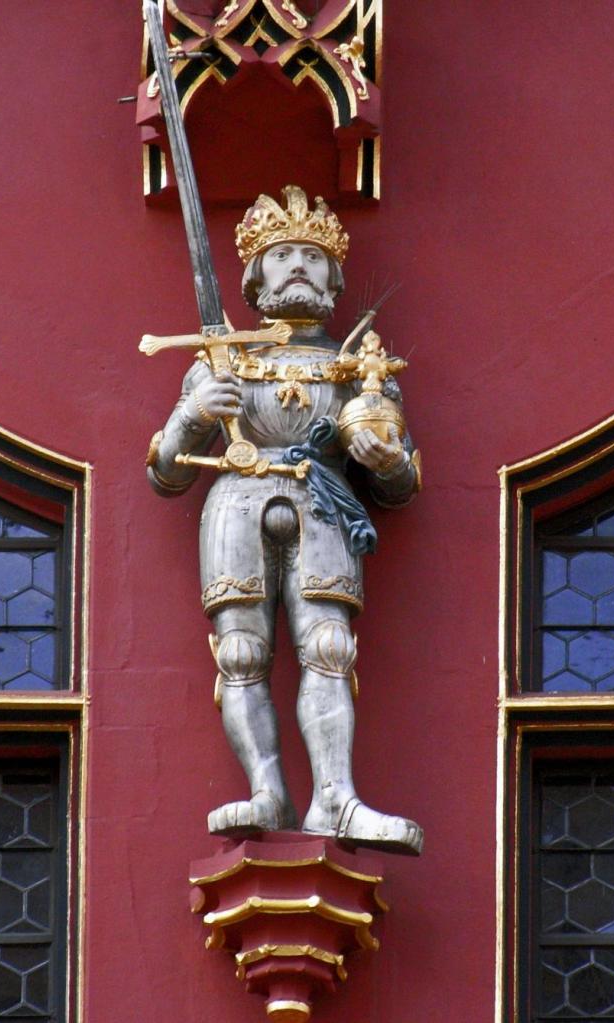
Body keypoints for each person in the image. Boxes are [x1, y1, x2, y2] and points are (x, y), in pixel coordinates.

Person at [147, 186, 423, 853]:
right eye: (281, 255)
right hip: (236, 502)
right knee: (240, 652)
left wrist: (384, 457)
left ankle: (335, 797)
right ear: (255, 275)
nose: (297, 264)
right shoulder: (219, 360)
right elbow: (167, 471)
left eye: (311, 255)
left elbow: (400, 481)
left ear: (332, 277)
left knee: (328, 647)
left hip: (321, 498)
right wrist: (194, 413)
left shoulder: (358, 363)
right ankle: (267, 789)